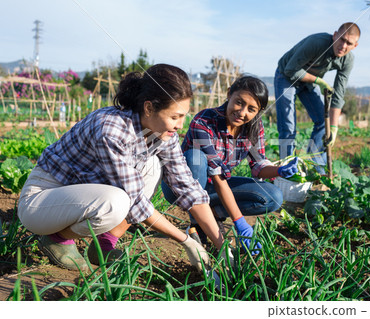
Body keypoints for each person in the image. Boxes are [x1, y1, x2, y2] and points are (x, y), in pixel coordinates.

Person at [18, 64, 225, 272]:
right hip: (43, 199)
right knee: (116, 203)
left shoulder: (163, 134)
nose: (181, 125)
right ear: (149, 108)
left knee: (153, 166)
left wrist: (222, 245)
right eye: (174, 117)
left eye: (183, 116)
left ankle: (104, 244)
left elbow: (187, 187)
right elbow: (135, 201)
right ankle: (56, 239)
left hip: (83, 195)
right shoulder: (112, 130)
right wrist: (186, 241)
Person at [162, 76, 299, 254]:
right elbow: (217, 174)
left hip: (214, 188)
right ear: (229, 94)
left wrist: (280, 170)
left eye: (251, 109)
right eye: (239, 102)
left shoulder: (254, 127)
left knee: (273, 196)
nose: (242, 112)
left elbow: (258, 167)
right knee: (196, 158)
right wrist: (239, 221)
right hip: (180, 187)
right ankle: (198, 223)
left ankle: (213, 215)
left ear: (259, 111)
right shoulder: (204, 121)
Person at [274, 22, 360, 172]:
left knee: (323, 121)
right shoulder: (317, 43)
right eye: (341, 39)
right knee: (288, 127)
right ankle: (286, 171)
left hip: (307, 81)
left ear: (355, 45)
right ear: (334, 36)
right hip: (286, 76)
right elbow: (290, 70)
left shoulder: (348, 60)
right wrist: (318, 81)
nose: (343, 45)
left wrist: (333, 128)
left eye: (349, 43)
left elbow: (338, 94)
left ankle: (314, 165)